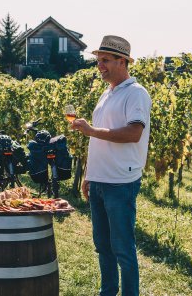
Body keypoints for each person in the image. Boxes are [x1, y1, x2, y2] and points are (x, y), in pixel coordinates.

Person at [71, 35, 151, 296]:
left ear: (123, 61)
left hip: (120, 182)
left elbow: (132, 134)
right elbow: (99, 143)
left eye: (105, 60)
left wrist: (91, 130)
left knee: (123, 249)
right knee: (102, 246)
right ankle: (107, 292)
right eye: (98, 61)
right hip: (100, 181)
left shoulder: (136, 94)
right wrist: (88, 174)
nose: (100, 65)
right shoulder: (108, 94)